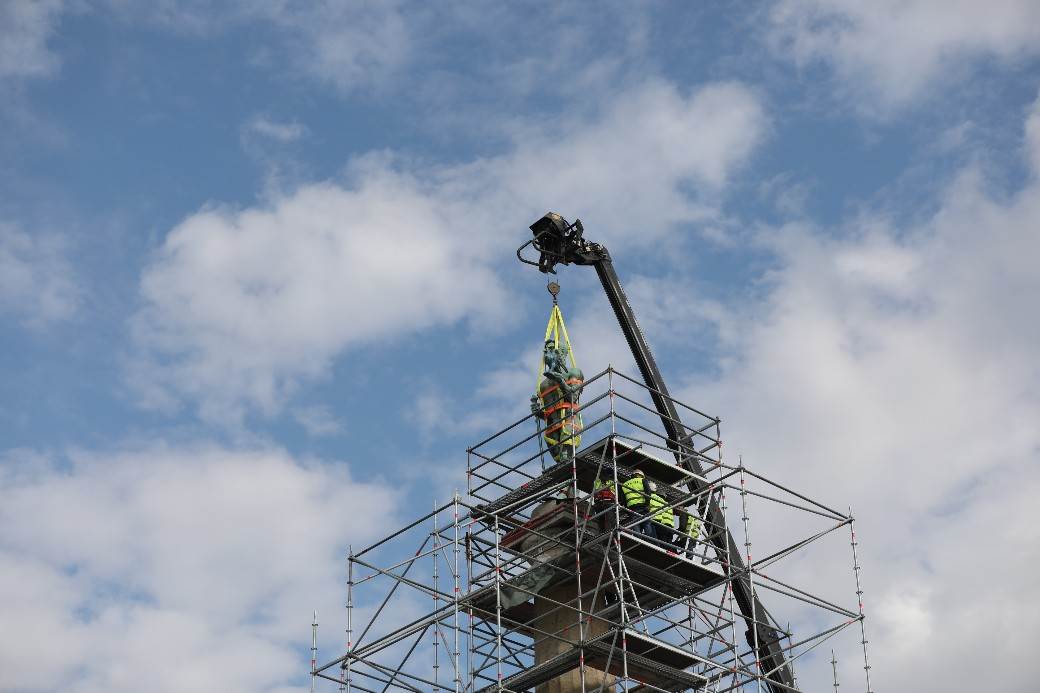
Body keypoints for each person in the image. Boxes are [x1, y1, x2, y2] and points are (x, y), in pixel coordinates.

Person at [530, 340, 584, 465]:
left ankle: (571, 479)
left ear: (562, 353)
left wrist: (560, 381)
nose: (549, 353)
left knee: (566, 457)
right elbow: (548, 412)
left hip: (569, 422)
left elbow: (572, 397)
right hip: (552, 428)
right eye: (547, 351)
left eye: (553, 349)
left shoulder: (573, 373)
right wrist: (538, 412)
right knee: (560, 461)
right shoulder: (543, 385)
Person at [619, 469, 654, 537]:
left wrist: (627, 508)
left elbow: (622, 499)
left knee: (635, 524)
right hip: (643, 506)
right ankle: (650, 541)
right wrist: (647, 504)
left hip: (632, 507)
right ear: (641, 475)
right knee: (646, 524)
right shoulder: (642, 480)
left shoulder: (624, 484)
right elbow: (648, 493)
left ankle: (638, 540)